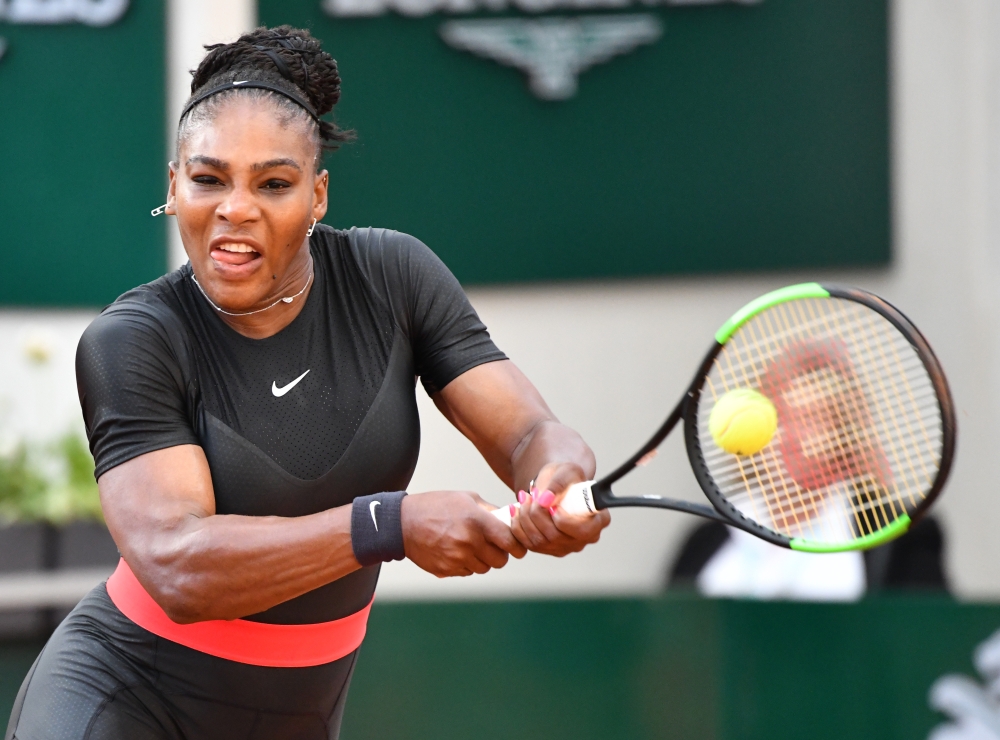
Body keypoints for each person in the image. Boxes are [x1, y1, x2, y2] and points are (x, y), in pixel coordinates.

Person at [5, 26, 610, 739]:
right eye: (208, 179)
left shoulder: (393, 277)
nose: (236, 208)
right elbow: (177, 565)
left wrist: (556, 479)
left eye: (273, 183)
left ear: (317, 195)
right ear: (173, 186)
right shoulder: (133, 340)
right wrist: (391, 524)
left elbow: (529, 432)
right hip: (120, 703)